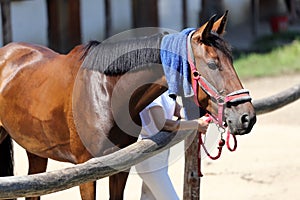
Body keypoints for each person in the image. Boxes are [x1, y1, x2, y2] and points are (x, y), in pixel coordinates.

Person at [135, 92, 209, 200]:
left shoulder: (166, 91)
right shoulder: (151, 93)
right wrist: (196, 124)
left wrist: (203, 112)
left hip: (161, 157)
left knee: (148, 197)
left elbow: (179, 111)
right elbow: (163, 124)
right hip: (150, 160)